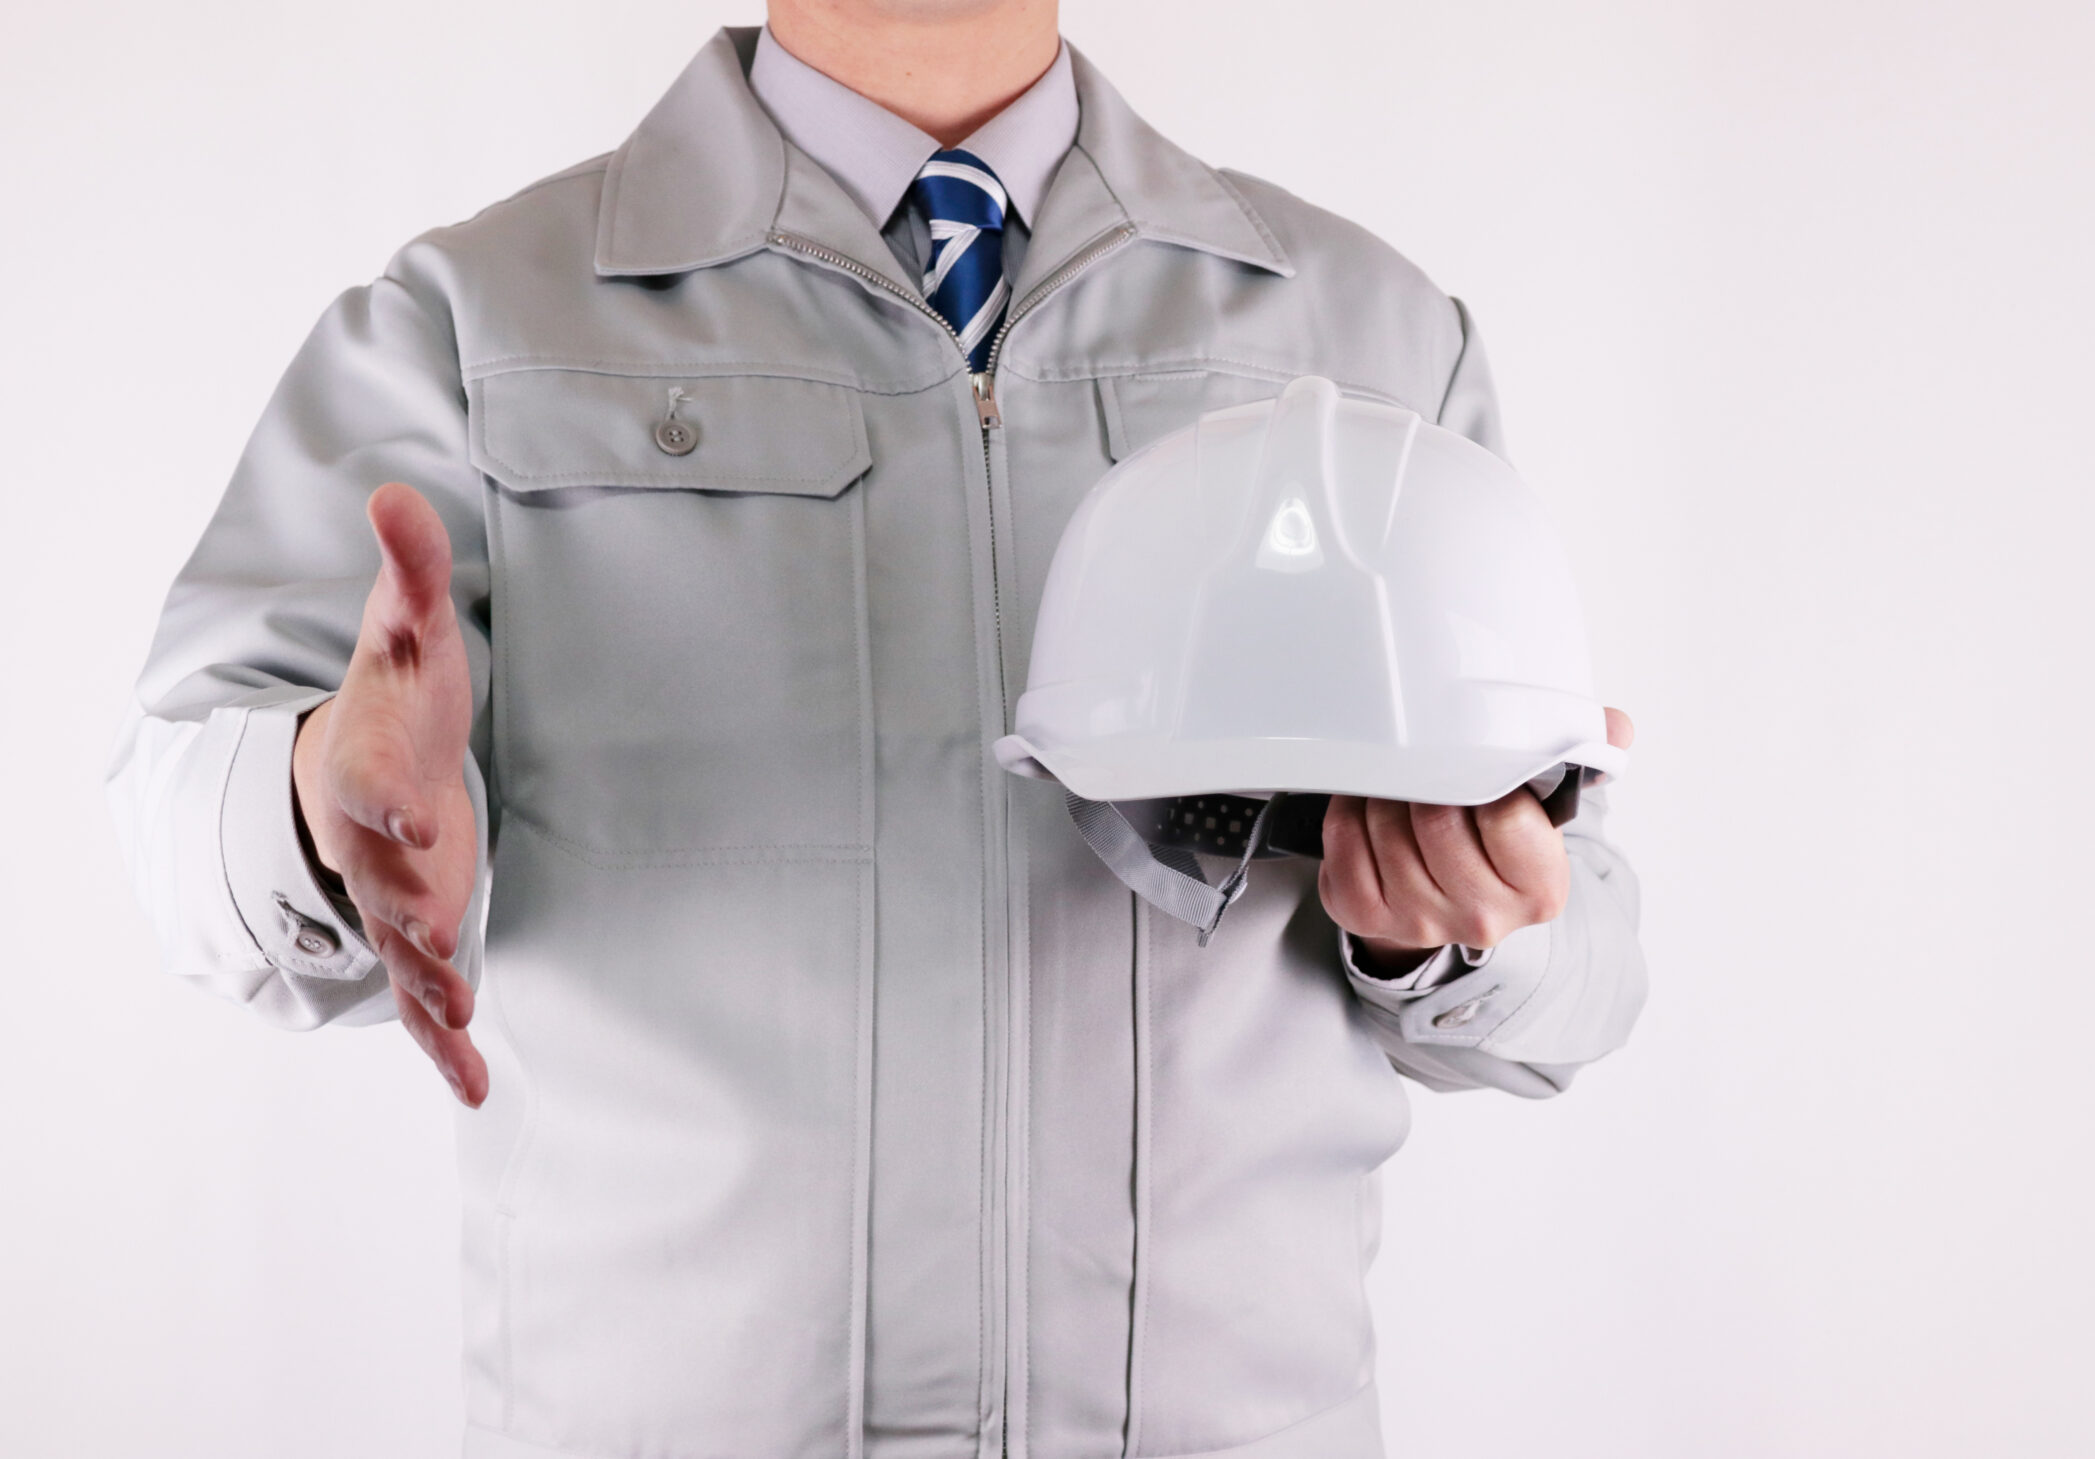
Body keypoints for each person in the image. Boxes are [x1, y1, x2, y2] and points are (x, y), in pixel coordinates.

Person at [106, 2, 1647, 1455]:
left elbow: (1585, 960)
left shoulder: (1371, 340)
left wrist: (1464, 928)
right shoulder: (471, 325)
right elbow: (187, 824)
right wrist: (314, 802)